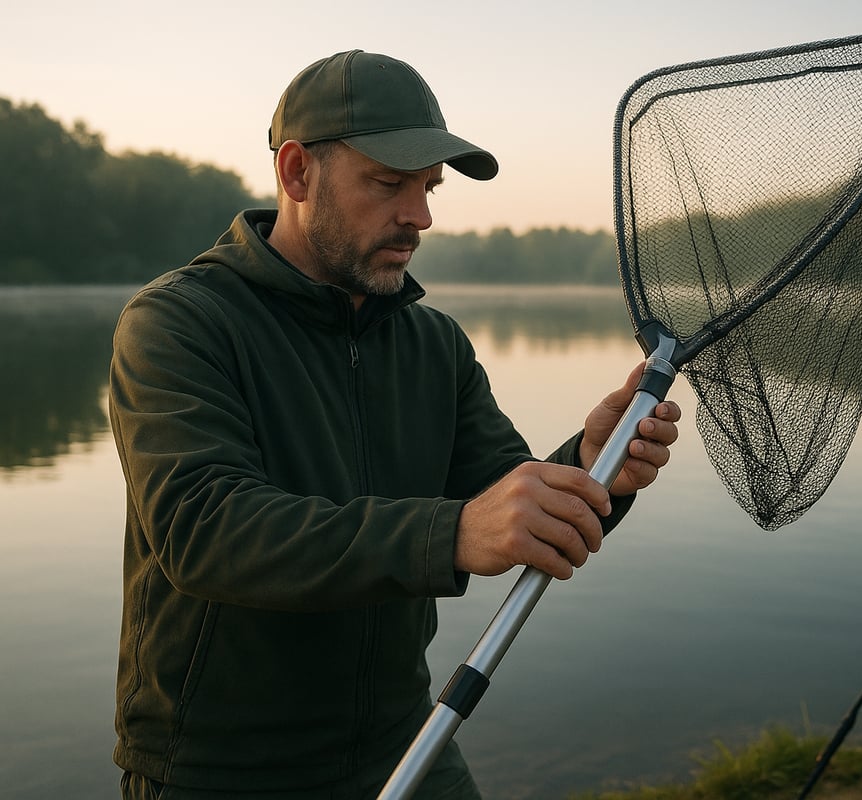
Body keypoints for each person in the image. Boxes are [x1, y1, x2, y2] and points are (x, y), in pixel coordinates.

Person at [109, 49, 681, 800]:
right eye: (387, 183)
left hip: (406, 740)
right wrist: (450, 534)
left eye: (428, 187)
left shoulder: (434, 345)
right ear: (295, 173)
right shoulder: (178, 323)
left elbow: (502, 501)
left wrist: (591, 462)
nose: (420, 215)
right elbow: (204, 530)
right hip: (223, 769)